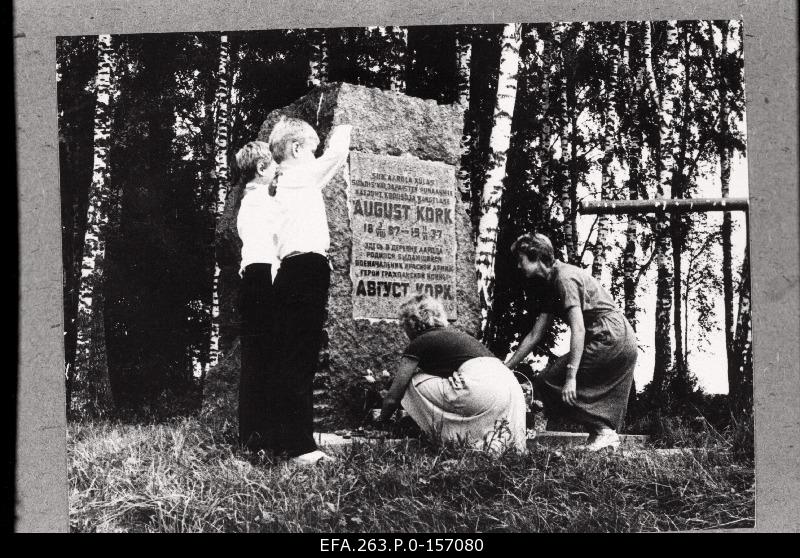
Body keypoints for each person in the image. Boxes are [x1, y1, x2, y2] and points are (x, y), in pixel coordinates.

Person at [266, 117, 352, 465]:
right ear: (296, 149)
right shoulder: (299, 176)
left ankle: (285, 439)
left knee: (290, 357)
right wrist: (345, 123)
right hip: (306, 270)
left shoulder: (276, 184)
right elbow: (337, 154)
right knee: (301, 359)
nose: (315, 155)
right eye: (310, 149)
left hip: (288, 270)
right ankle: (300, 447)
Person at [505, 233, 638, 451]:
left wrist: (571, 376)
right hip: (613, 336)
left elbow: (578, 329)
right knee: (548, 382)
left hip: (611, 337)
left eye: (521, 260)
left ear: (536, 257)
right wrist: (507, 368)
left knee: (552, 382)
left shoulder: (564, 279)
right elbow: (535, 335)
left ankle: (605, 432)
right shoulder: (551, 283)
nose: (518, 266)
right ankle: (600, 436)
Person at [380, 294, 527, 453]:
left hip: (482, 387)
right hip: (509, 386)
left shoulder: (420, 342)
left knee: (412, 383)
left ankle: (451, 438)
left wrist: (381, 422)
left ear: (411, 324)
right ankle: (489, 444)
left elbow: (394, 395)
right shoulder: (458, 335)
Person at [234, 140, 279, 451]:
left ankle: (252, 434)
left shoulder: (247, 201)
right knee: (265, 358)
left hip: (252, 276)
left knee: (255, 358)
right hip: (265, 277)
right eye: (274, 164)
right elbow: (278, 241)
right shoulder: (264, 201)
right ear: (262, 168)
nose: (278, 170)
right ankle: (261, 434)